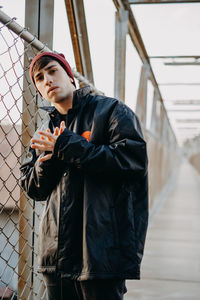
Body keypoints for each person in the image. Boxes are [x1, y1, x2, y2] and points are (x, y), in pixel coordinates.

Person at [20, 51, 149, 300]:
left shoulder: (111, 111)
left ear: (70, 76)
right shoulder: (45, 131)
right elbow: (33, 188)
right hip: (56, 254)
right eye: (39, 77)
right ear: (38, 89)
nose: (47, 79)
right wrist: (46, 163)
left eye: (52, 71)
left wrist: (67, 146)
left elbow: (132, 161)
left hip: (102, 254)